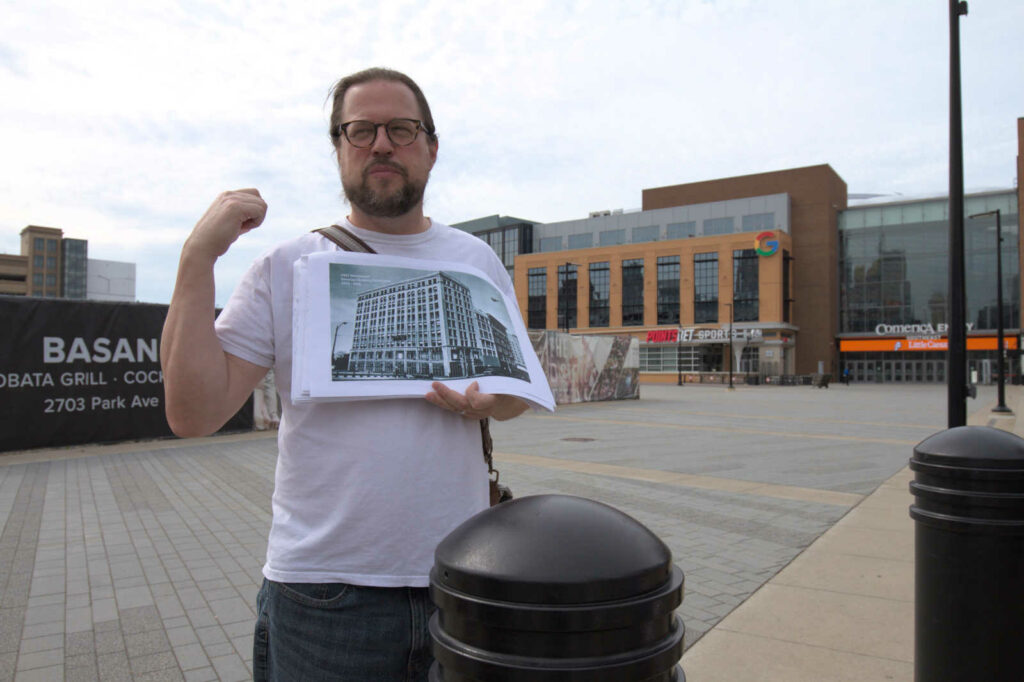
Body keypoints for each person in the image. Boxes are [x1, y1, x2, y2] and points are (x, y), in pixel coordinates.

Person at [160, 67, 529, 681]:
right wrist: (198, 257)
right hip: (323, 595)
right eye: (360, 130)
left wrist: (494, 402)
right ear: (339, 148)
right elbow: (192, 414)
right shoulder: (287, 266)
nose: (382, 143)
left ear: (431, 149)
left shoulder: (476, 258)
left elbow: (516, 396)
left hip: (463, 581)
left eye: (402, 129)